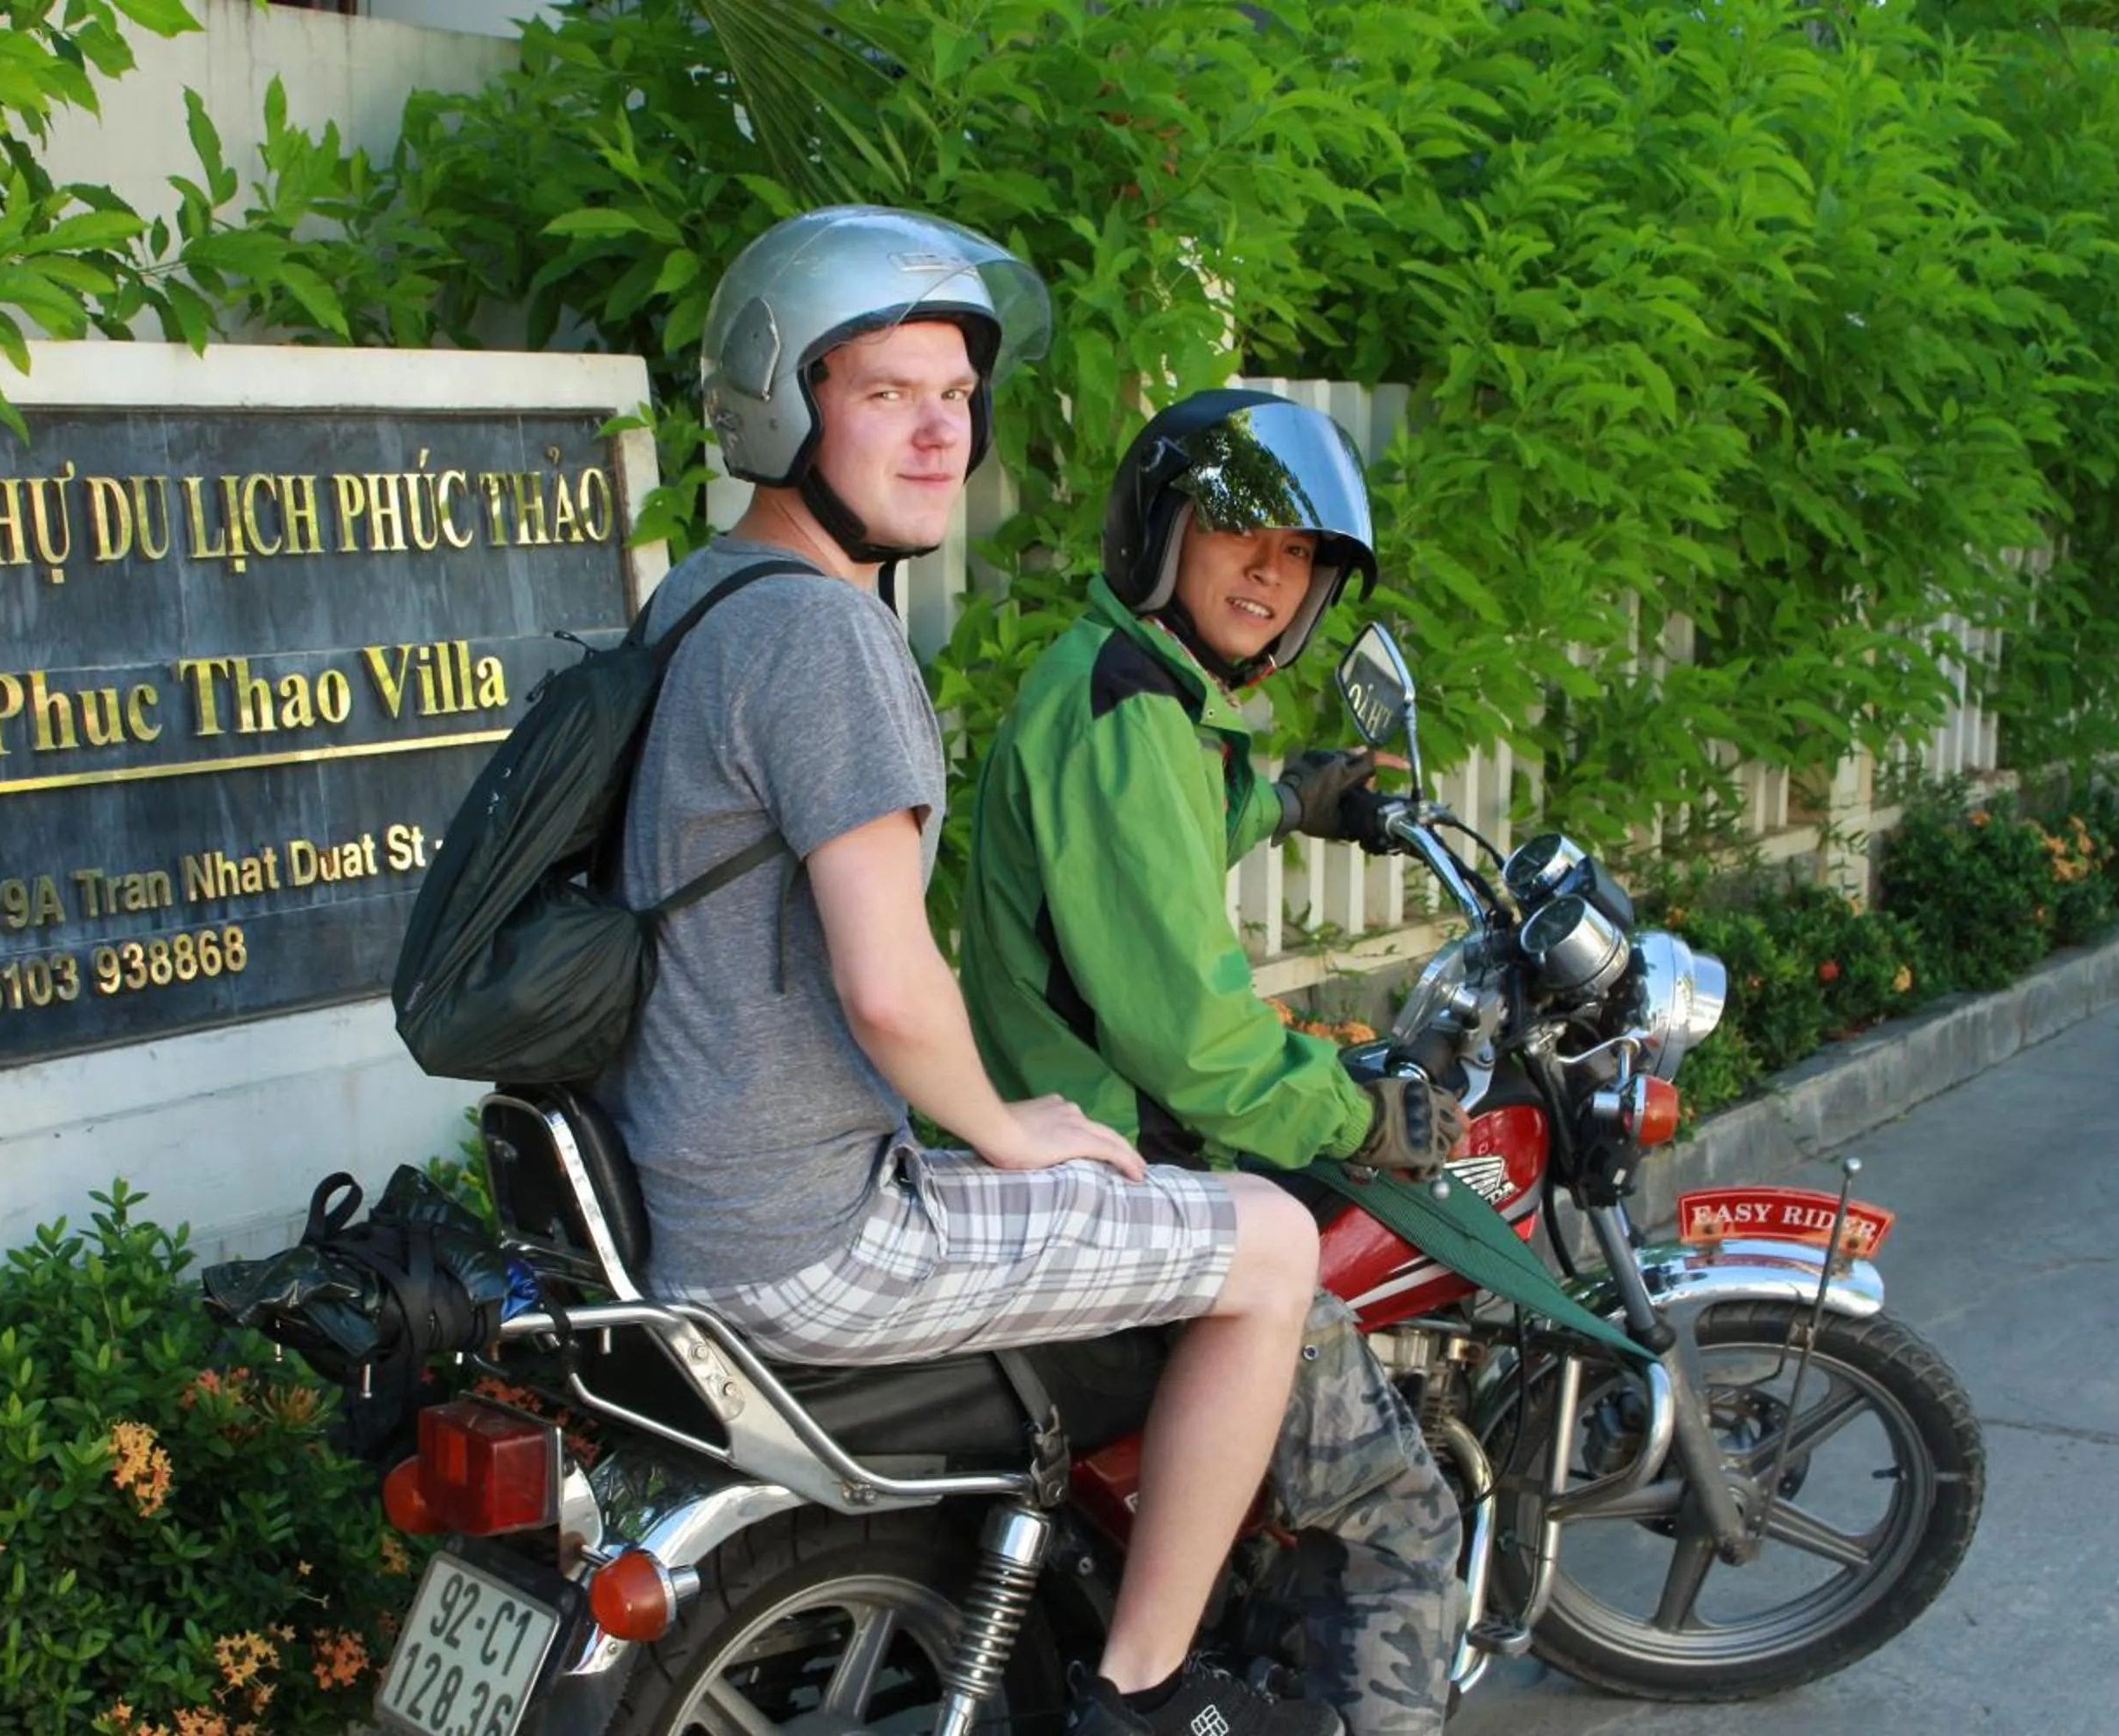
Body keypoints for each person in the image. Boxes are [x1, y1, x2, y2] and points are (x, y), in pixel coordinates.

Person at [596, 208, 1337, 1736]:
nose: (940, 435)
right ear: (785, 407)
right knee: (1267, 1244)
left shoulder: (701, 600)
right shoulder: (826, 644)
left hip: (704, 1194)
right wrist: (1016, 1130)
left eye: (955, 396)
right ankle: (1143, 1696)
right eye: (885, 395)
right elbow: (887, 983)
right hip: (807, 1239)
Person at [957, 388, 1469, 1736]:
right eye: (1243, 530)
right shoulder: (1126, 716)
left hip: (1072, 1152)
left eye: (1298, 555)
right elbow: (1192, 1043)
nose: (1268, 569)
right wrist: (1359, 1108)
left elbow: (1158, 848)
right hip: (1139, 1178)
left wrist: (1288, 796)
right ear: (1165, 534)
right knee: (1400, 1520)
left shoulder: (1137, 701)